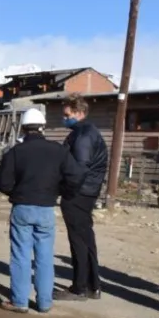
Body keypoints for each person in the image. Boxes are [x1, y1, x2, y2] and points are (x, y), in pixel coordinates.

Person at [0, 108, 86, 314]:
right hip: (46, 208)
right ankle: (44, 302)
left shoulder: (15, 152)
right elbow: (77, 175)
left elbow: (3, 182)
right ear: (43, 128)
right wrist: (62, 192)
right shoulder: (58, 151)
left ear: (23, 128)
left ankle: (20, 302)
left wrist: (17, 192)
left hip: (22, 208)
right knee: (44, 256)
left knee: (20, 255)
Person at [55, 95, 109, 302]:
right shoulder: (86, 132)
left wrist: (65, 189)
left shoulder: (83, 135)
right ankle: (93, 285)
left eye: (67, 114)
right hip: (87, 191)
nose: (64, 118)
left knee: (78, 240)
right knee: (86, 238)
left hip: (79, 193)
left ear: (79, 113)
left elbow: (79, 168)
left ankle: (79, 287)